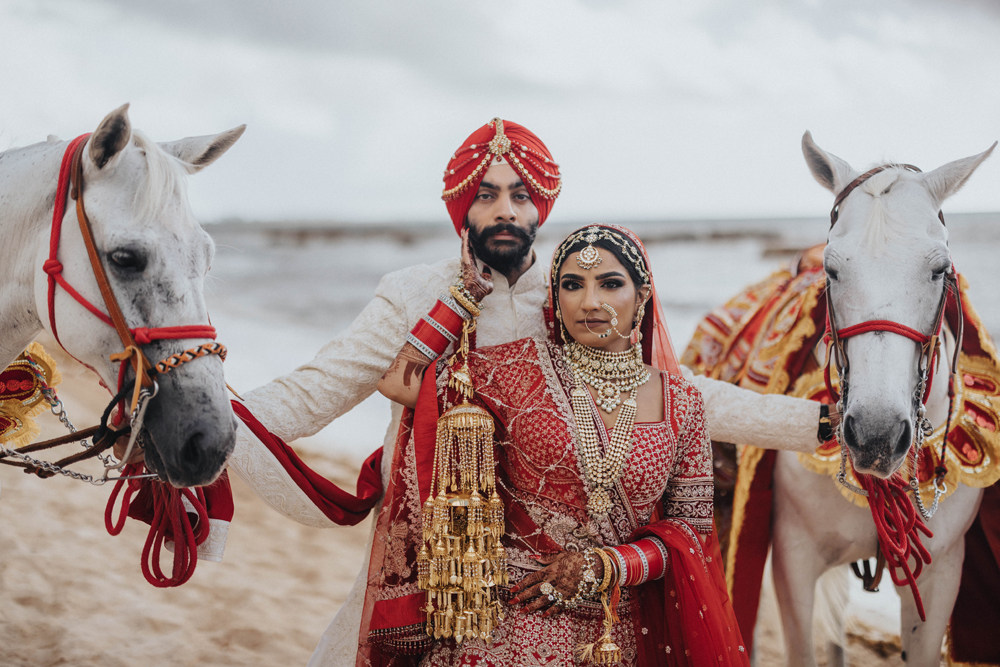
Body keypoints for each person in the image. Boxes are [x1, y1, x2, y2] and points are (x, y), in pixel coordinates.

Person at [224, 117, 827, 666]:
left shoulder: (574, 293)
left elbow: (679, 399)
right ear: (462, 207)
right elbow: (317, 390)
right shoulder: (412, 293)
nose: (505, 210)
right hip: (433, 545)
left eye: (520, 194)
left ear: (542, 205)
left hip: (580, 576)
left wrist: (822, 427)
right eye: (486, 195)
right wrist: (204, 426)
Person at [370, 223, 747, 666]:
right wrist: (465, 294)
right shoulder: (514, 370)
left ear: (642, 294)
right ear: (556, 298)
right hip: (510, 624)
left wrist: (606, 567)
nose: (589, 302)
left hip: (618, 630)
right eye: (572, 285)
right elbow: (400, 380)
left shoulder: (681, 403)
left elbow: (690, 531)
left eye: (610, 283)